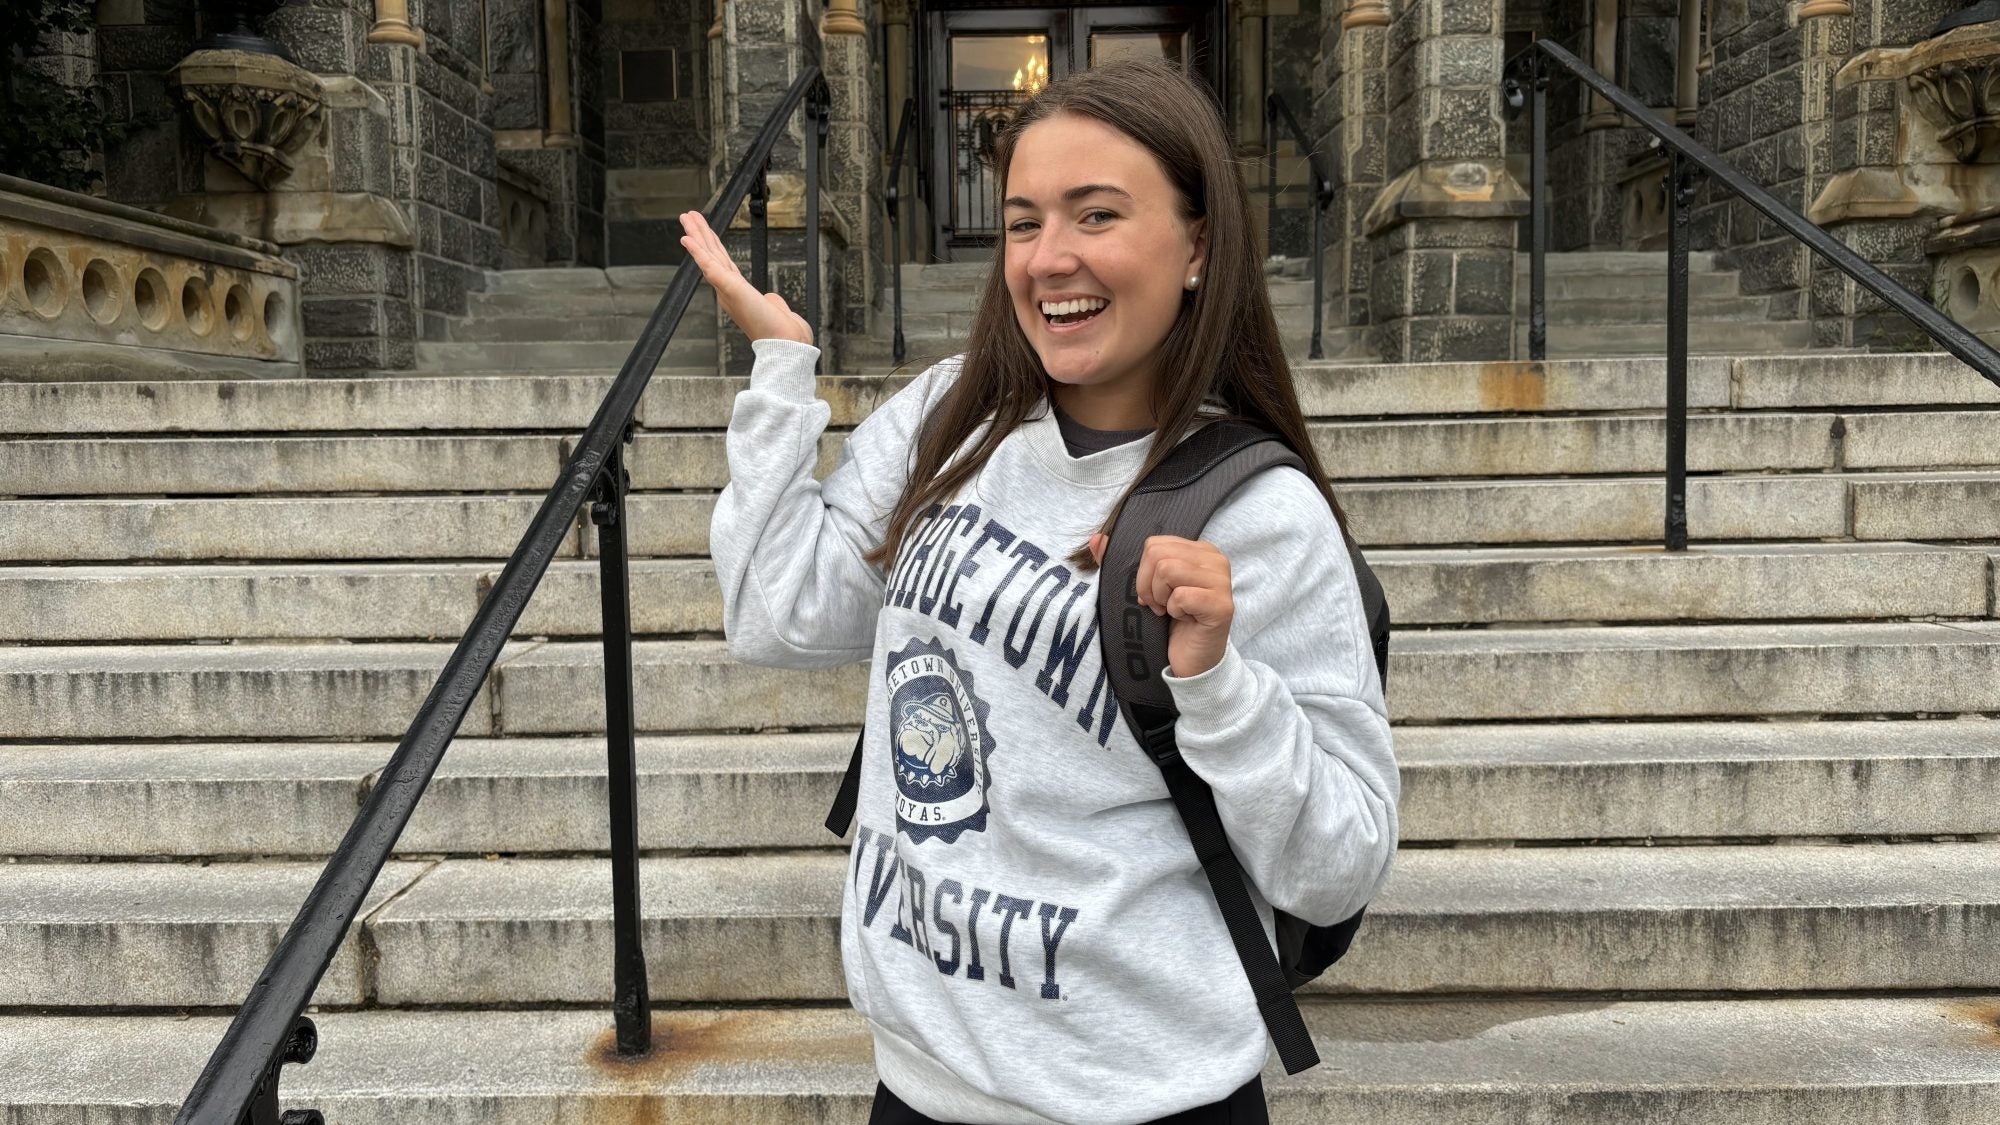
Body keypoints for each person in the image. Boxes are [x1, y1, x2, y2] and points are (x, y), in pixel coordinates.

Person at [685, 56, 1397, 1125]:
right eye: (1021, 222)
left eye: (1095, 214)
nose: (1048, 258)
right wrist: (783, 376)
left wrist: (1218, 686)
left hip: (1143, 1099)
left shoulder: (1259, 513)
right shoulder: (950, 418)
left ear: (1197, 244)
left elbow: (1335, 867)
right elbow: (776, 612)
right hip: (919, 1083)